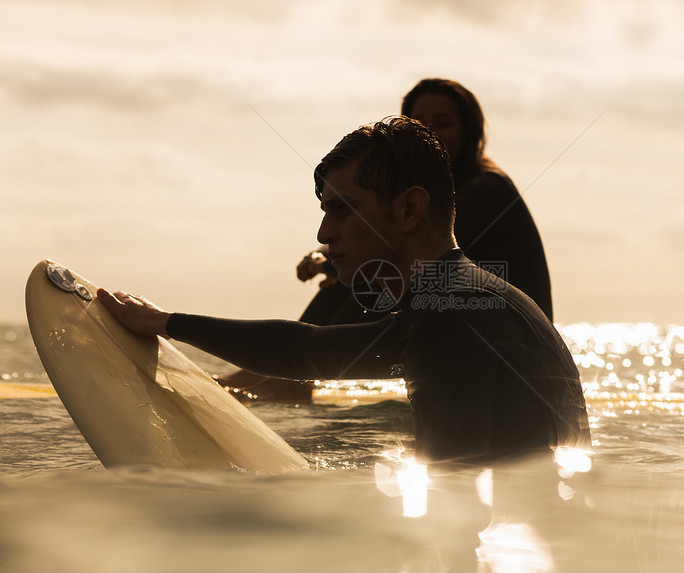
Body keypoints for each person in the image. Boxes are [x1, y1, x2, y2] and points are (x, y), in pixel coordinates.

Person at [97, 117, 590, 465]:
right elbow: (311, 351)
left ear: (409, 210)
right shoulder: (460, 299)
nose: (323, 234)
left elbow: (457, 504)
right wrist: (166, 324)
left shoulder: (453, 320)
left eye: (343, 210)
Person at [217, 78, 554, 401]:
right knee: (355, 276)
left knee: (365, 276)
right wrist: (327, 256)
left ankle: (286, 378)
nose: (431, 134)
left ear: (470, 134)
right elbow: (381, 234)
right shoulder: (424, 192)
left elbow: (403, 243)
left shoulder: (484, 189)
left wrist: (334, 266)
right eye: (419, 124)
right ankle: (279, 376)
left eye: (444, 123)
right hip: (456, 320)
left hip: (505, 339)